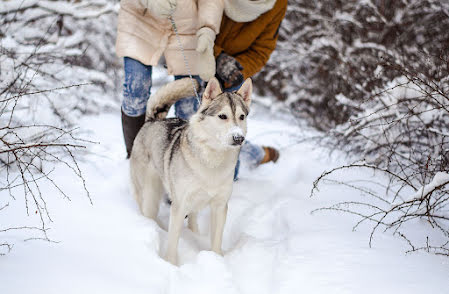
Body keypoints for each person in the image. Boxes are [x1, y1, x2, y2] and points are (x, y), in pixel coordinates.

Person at [174, 0, 288, 172]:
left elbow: (262, 49)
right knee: (188, 117)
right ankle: (183, 174)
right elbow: (189, 20)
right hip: (197, 49)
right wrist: (216, 56)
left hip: (234, 67)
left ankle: (241, 165)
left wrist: (237, 70)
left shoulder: (277, 4)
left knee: (229, 124)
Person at [115, 0, 223, 157]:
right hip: (140, 21)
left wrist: (208, 29)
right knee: (135, 91)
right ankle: (135, 157)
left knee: (188, 104)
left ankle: (182, 161)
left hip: (187, 29)